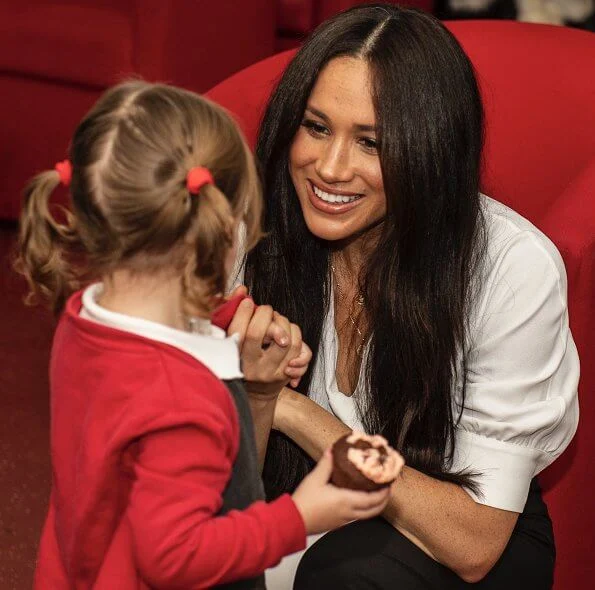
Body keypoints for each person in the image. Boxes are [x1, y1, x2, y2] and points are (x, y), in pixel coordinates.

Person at [230, 4, 580, 589]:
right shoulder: (255, 231)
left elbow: (473, 544)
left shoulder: (511, 267)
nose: (330, 168)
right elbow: (231, 494)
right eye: (316, 127)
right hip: (301, 501)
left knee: (348, 572)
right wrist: (259, 401)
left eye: (371, 142)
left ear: (428, 148)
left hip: (451, 523)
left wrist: (294, 409)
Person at [16, 81, 393, 589]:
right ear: (225, 228)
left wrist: (231, 313)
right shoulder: (183, 399)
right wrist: (301, 515)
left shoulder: (85, 316)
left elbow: (157, 328)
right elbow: (174, 558)